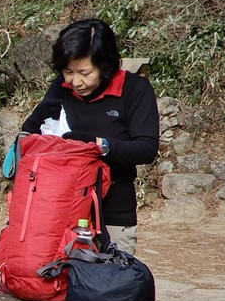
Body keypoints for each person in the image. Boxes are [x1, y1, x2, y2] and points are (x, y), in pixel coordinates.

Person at [19, 18, 160, 254]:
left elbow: (146, 149)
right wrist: (36, 117)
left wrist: (97, 145)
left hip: (113, 205)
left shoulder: (135, 89)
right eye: (68, 72)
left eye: (85, 72)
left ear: (105, 66)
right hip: (60, 205)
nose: (76, 82)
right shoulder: (61, 87)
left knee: (110, 283)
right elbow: (31, 137)